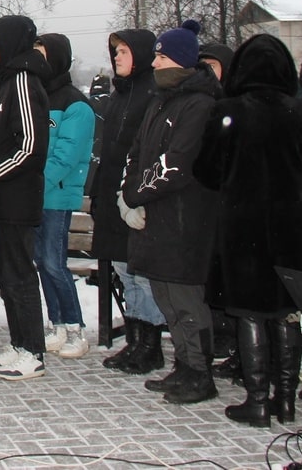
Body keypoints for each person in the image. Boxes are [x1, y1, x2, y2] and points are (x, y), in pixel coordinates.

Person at [194, 34, 302, 427]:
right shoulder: (300, 110)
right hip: (293, 225)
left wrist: (236, 178)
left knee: (250, 312)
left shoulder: (229, 110)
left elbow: (207, 169)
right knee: (287, 312)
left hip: (244, 225)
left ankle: (258, 400)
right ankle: (286, 401)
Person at [121, 19, 222, 405]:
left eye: (162, 55)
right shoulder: (160, 101)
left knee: (186, 302)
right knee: (166, 296)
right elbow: (137, 152)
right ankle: (183, 364)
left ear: (180, 61)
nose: (156, 61)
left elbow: (176, 164)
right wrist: (129, 190)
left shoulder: (199, 104)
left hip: (182, 220)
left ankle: (200, 371)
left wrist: (136, 194)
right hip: (156, 222)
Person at [0, 16, 52, 382]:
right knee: (5, 273)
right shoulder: (6, 80)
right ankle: (19, 344)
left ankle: (33, 351)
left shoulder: (22, 80)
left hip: (18, 200)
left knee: (19, 274)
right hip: (4, 201)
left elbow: (31, 145)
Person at [89, 29, 165, 375]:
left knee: (141, 274)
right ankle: (134, 340)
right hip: (112, 197)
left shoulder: (154, 93)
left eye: (123, 51)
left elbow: (150, 152)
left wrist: (137, 195)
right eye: (114, 51)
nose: (116, 57)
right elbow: (108, 148)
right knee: (123, 269)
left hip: (136, 198)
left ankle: (151, 345)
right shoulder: (119, 95)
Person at [33, 33, 96, 359]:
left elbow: (66, 155)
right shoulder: (39, 96)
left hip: (55, 196)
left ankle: (75, 328)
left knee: (54, 263)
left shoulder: (75, 103)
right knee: (42, 263)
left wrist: (37, 184)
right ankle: (56, 324)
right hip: (37, 196)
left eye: (43, 56)